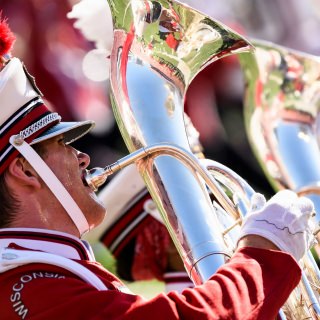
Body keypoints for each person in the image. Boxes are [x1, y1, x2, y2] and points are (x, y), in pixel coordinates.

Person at [0, 16, 316, 320]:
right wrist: (263, 255)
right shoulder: (31, 286)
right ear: (25, 170)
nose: (82, 157)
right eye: (62, 145)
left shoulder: (39, 274)